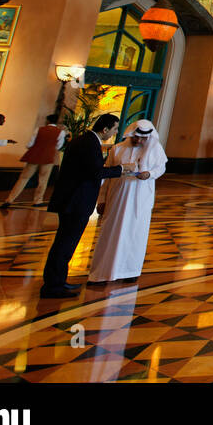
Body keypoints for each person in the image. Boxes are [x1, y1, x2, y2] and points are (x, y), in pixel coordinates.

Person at [40, 113, 127, 298]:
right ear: (105, 129)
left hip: (72, 199)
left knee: (64, 243)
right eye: (114, 129)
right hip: (75, 201)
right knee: (65, 244)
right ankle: (53, 286)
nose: (115, 132)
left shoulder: (84, 140)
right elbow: (94, 172)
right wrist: (121, 169)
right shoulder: (89, 144)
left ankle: (57, 281)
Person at [87, 120, 167, 285]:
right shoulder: (117, 149)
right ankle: (101, 273)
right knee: (109, 234)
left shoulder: (155, 149)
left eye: (143, 139)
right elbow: (105, 176)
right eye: (136, 137)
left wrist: (149, 174)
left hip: (140, 200)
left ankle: (130, 270)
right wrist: (101, 199)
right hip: (116, 198)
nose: (139, 141)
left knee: (135, 235)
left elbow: (161, 168)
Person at [1, 114, 66, 208]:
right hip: (48, 157)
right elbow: (59, 146)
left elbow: (30, 143)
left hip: (34, 156)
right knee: (43, 180)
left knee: (23, 178)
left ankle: (9, 199)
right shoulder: (61, 132)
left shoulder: (38, 129)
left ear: (47, 121)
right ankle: (37, 201)